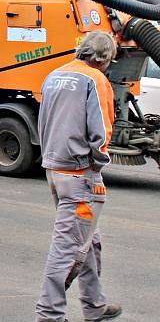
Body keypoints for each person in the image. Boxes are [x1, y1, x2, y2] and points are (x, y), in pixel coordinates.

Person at [35, 31, 122, 322]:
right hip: (79, 175)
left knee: (88, 239)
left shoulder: (55, 75)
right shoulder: (96, 80)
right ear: (105, 59)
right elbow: (102, 130)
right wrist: (98, 164)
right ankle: (49, 315)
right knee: (69, 248)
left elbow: (44, 119)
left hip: (55, 170)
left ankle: (95, 304)